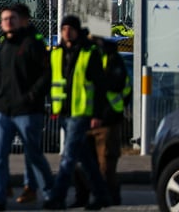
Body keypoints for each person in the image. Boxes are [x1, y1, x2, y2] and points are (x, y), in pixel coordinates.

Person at [0, 4, 55, 212]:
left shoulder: (32, 43)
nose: (7, 22)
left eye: (11, 18)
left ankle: (50, 193)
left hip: (27, 111)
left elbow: (45, 75)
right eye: (4, 19)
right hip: (4, 111)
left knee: (33, 154)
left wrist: (30, 97)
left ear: (21, 20)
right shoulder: (5, 44)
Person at [43, 16, 112, 211]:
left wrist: (97, 114)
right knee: (86, 159)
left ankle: (57, 197)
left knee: (69, 157)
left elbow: (100, 86)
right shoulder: (56, 53)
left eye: (70, 28)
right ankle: (101, 195)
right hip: (64, 112)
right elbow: (50, 80)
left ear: (77, 30)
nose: (66, 32)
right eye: (63, 28)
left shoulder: (89, 53)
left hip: (81, 112)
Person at [74, 33, 130, 207]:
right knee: (82, 163)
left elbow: (120, 87)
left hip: (107, 120)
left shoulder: (111, 59)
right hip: (85, 117)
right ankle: (83, 198)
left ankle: (109, 199)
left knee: (105, 163)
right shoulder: (83, 57)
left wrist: (108, 112)